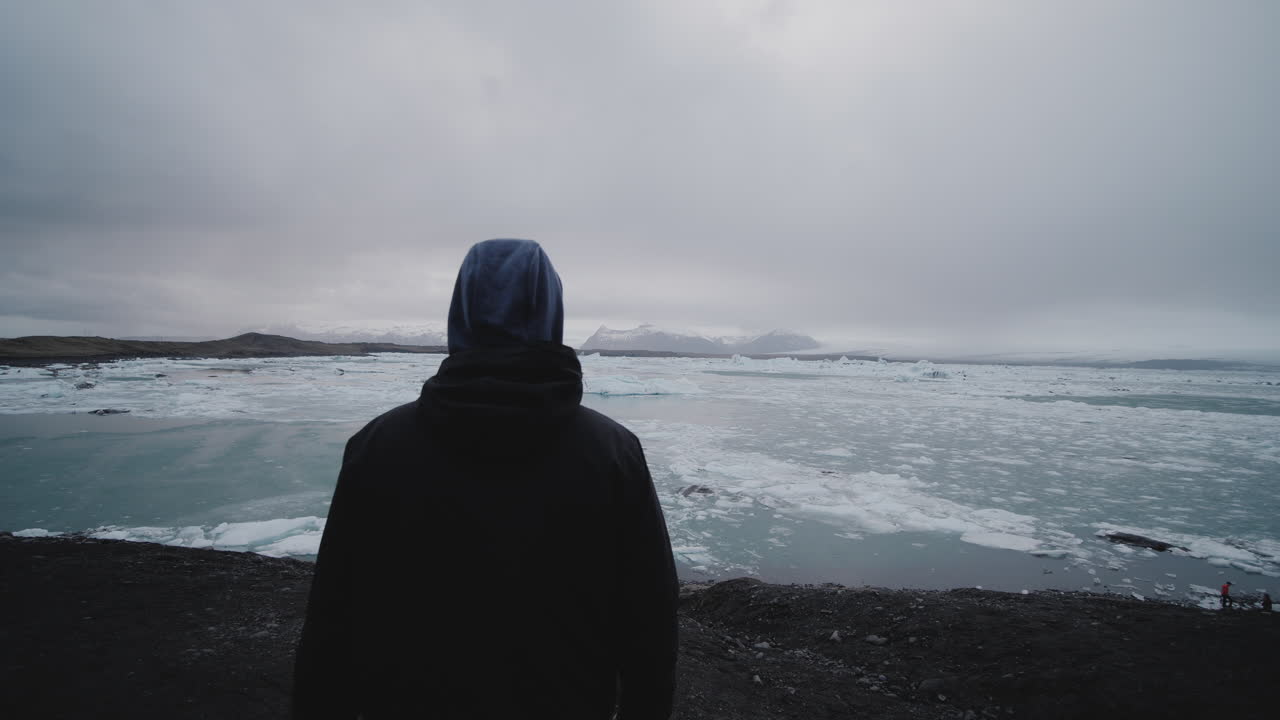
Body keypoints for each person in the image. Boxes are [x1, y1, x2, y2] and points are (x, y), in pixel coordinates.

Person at [293, 239, 679, 719]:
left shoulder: (378, 446)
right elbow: (649, 619)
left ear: (461, 310)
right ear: (551, 312)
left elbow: (334, 615)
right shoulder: (612, 452)